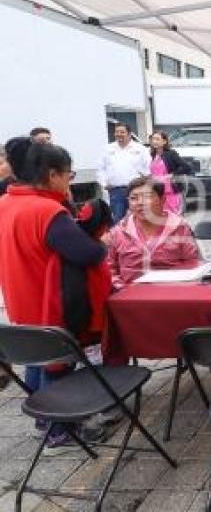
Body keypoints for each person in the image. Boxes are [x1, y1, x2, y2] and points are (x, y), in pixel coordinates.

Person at [0, 139, 111, 448]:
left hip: (21, 296)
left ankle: (43, 418)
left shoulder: (6, 202)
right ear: (52, 174)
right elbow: (87, 253)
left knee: (34, 356)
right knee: (57, 362)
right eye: (68, 175)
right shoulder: (46, 210)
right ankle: (59, 429)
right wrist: (102, 244)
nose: (69, 181)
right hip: (50, 301)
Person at [106, 176, 200, 289]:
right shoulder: (118, 232)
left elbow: (192, 264)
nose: (140, 203)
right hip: (129, 294)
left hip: (171, 292)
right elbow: (109, 270)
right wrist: (122, 289)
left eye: (147, 197)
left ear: (162, 200)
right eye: (134, 198)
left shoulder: (180, 228)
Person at [97, 123, 150, 223]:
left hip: (136, 190)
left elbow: (148, 168)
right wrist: (104, 183)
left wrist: (145, 184)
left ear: (129, 134)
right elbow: (100, 168)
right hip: (116, 191)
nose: (119, 134)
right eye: (117, 132)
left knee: (138, 218)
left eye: (122, 132)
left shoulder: (140, 149)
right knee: (118, 220)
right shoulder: (108, 149)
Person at [149, 130, 192, 213]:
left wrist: (172, 175)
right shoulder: (153, 155)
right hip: (157, 190)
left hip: (170, 190)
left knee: (173, 214)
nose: (154, 141)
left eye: (157, 139)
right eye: (153, 139)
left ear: (164, 141)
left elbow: (186, 167)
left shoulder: (171, 154)